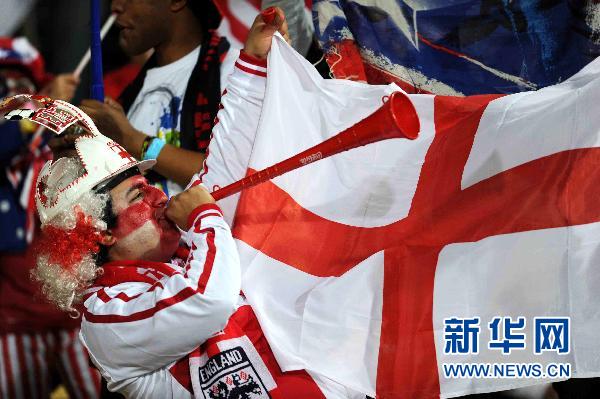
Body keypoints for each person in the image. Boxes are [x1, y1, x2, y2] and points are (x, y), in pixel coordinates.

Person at [26, 8, 362, 398]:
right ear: (96, 232)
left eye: (149, 184)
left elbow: (224, 163)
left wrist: (253, 64)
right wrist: (204, 215)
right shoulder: (106, 318)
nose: (158, 194)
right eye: (139, 192)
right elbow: (209, 300)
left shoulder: (179, 249)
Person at [0, 37, 102, 399]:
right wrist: (34, 109)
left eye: (19, 83)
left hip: (78, 319)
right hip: (13, 323)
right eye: (3, 84)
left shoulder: (66, 149)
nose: (10, 91)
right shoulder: (12, 143)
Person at [76, 0, 238, 194]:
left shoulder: (235, 73)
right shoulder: (131, 92)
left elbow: (232, 175)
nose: (115, 7)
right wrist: (76, 153)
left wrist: (132, 139)